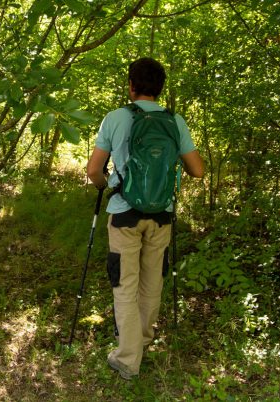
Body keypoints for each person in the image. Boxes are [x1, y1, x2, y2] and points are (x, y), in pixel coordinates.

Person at [86, 57, 204, 379]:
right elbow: (198, 170)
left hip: (124, 214)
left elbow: (94, 171)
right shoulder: (174, 121)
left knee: (125, 285)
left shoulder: (115, 118)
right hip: (161, 215)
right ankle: (142, 340)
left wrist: (105, 185)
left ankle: (127, 358)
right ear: (160, 88)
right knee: (153, 282)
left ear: (131, 86)